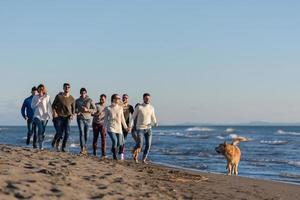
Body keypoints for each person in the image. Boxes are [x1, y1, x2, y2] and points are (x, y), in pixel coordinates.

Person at [130, 93, 158, 164]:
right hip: (140, 129)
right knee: (140, 144)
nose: (147, 99)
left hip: (148, 129)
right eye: (146, 98)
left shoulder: (152, 108)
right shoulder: (139, 107)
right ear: (143, 98)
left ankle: (144, 159)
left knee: (148, 145)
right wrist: (130, 126)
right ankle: (134, 150)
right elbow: (132, 117)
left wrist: (155, 123)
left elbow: (153, 118)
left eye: (148, 98)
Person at [103, 94, 130, 160]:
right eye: (118, 98)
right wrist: (104, 128)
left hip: (119, 128)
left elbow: (122, 119)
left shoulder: (120, 108)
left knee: (120, 143)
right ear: (113, 99)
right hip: (111, 127)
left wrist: (126, 127)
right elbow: (106, 119)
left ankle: (114, 150)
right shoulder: (108, 108)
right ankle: (114, 155)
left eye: (119, 98)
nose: (119, 99)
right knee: (115, 141)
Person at [52, 83, 75, 152]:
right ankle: (55, 142)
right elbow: (53, 106)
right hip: (59, 117)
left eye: (68, 87)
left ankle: (63, 147)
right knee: (59, 133)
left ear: (70, 88)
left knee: (67, 133)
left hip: (67, 117)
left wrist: (72, 115)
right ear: (63, 88)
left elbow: (73, 110)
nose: (67, 88)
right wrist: (55, 112)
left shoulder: (72, 98)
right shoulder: (58, 96)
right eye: (65, 87)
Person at [31, 84, 52, 150]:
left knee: (42, 131)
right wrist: (39, 100)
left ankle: (41, 142)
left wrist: (52, 114)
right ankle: (40, 145)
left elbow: (49, 106)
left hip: (45, 117)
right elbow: (32, 106)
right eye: (39, 89)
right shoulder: (35, 97)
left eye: (42, 89)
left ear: (44, 90)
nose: (41, 90)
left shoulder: (47, 96)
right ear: (38, 90)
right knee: (40, 128)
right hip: (37, 116)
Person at [75, 88, 96, 156]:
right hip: (80, 118)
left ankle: (85, 147)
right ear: (80, 93)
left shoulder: (89, 100)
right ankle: (82, 148)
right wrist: (77, 112)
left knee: (86, 134)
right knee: (81, 133)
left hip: (88, 119)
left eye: (84, 93)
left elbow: (95, 110)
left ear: (86, 93)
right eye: (82, 93)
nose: (83, 94)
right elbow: (75, 109)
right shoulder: (77, 101)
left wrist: (88, 109)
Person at [119, 94, 134, 160]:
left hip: (126, 126)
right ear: (122, 98)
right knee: (119, 140)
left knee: (123, 140)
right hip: (118, 125)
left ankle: (121, 154)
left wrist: (131, 126)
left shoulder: (130, 107)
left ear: (128, 99)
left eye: (126, 98)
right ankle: (120, 151)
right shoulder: (119, 106)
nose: (125, 99)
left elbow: (133, 116)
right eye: (124, 98)